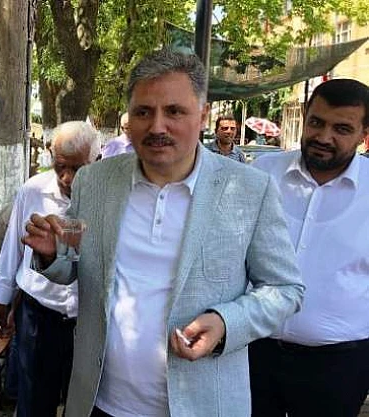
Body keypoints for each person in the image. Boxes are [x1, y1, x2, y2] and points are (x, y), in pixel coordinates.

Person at [21, 49, 304, 417]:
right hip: (101, 404)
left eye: (174, 111)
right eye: (144, 112)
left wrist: (225, 322)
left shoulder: (250, 189)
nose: (157, 127)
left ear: (203, 115)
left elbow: (285, 289)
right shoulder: (94, 181)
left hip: (201, 406)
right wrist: (51, 254)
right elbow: (76, 265)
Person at [249, 78, 369, 417]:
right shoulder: (262, 173)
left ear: (364, 134)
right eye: (316, 122)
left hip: (341, 365)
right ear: (304, 116)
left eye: (342, 129)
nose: (324, 137)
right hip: (255, 352)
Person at [0, 121, 101, 417]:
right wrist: (0, 299)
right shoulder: (33, 191)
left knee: (86, 405)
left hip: (90, 324)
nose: (67, 178)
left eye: (78, 169)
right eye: (60, 167)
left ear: (97, 161)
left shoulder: (109, 200)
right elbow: (13, 246)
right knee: (34, 403)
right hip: (39, 316)